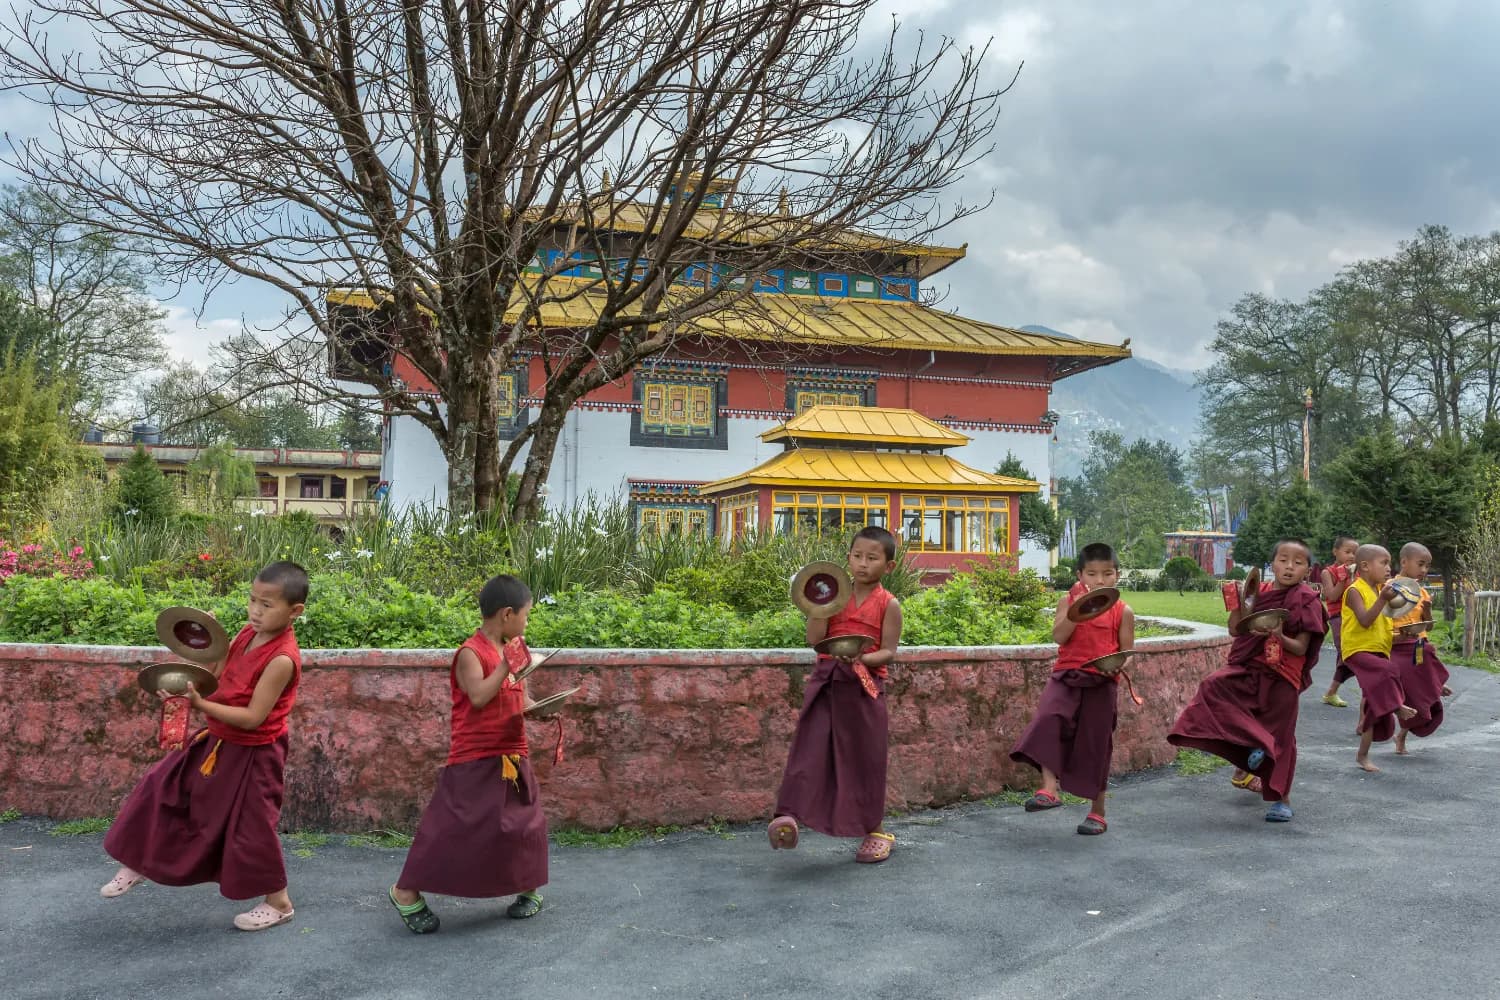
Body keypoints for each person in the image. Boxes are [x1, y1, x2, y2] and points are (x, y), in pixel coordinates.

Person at [100, 561, 308, 932]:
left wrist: (199, 706)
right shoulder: (246, 634)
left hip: (255, 752)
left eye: (267, 605)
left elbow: (252, 717)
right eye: (252, 600)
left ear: (295, 612)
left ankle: (279, 903)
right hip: (216, 741)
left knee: (252, 827)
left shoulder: (281, 659)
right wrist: (204, 641)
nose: (255, 611)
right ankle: (140, 860)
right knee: (163, 787)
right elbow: (215, 675)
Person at [390, 574, 549, 933]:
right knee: (450, 829)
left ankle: (528, 889)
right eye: (525, 615)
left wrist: (543, 708)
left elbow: (521, 698)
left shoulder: (510, 653)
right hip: (475, 755)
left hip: (512, 752)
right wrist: (508, 666)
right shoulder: (470, 653)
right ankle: (405, 892)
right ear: (507, 614)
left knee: (523, 824)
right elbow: (478, 696)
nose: (526, 623)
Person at [768, 526, 904, 864]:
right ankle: (788, 815)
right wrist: (816, 606)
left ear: (889, 567)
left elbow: (888, 651)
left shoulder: (889, 604)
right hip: (827, 681)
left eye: (872, 558)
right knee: (808, 749)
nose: (862, 564)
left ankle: (876, 830)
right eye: (857, 556)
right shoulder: (832, 597)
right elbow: (815, 640)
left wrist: (861, 658)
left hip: (863, 687)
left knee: (866, 760)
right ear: (847, 559)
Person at [1168, 539, 1325, 822]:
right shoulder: (1258, 592)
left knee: (1282, 736)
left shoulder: (1306, 599)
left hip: (1283, 674)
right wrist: (1237, 604)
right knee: (1213, 687)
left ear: (1308, 570)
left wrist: (1278, 635)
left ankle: (1281, 800)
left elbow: (1301, 647)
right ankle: (1255, 744)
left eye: (1298, 562)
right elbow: (1235, 630)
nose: (1289, 566)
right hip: (1250, 668)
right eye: (1283, 559)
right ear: (1272, 563)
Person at [1010, 542, 1136, 836]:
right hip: (1067, 675)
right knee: (1048, 720)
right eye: (1092, 574)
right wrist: (1078, 611)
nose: (1099, 581)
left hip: (1102, 681)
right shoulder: (1069, 602)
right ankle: (1050, 788)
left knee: (1096, 744)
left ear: (1117, 575)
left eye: (1107, 574)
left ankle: (1097, 811)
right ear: (1080, 575)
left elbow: (1128, 652)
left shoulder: (1123, 611)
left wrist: (1120, 664)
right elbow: (1059, 636)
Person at [1340, 544, 1418, 772]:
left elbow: (1381, 628)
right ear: (1364, 566)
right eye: (1383, 563)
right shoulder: (1355, 590)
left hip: (1377, 651)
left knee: (1374, 706)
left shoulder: (1379, 590)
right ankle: (1396, 706)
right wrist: (1382, 599)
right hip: (1357, 651)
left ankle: (1362, 756)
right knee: (1389, 670)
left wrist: (1403, 634)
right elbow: (1365, 620)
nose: (1388, 568)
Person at [1387, 543, 1452, 756]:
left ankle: (1401, 736)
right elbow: (1383, 620)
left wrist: (1428, 610)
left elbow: (1429, 626)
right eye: (1420, 564)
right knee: (1399, 691)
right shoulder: (1390, 588)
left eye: (1427, 566)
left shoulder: (1422, 592)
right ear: (1404, 562)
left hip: (1419, 647)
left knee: (1418, 699)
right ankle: (1366, 723)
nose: (1424, 570)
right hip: (1396, 646)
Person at [1319, 536, 1359, 708]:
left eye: (1355, 553)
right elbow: (1332, 596)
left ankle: (1331, 692)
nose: (1351, 556)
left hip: (1357, 616)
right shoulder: (1328, 572)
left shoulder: (1359, 571)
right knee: (1347, 654)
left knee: (1353, 654)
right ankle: (1331, 692)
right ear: (1335, 552)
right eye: (1347, 551)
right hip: (1339, 617)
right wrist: (1344, 577)